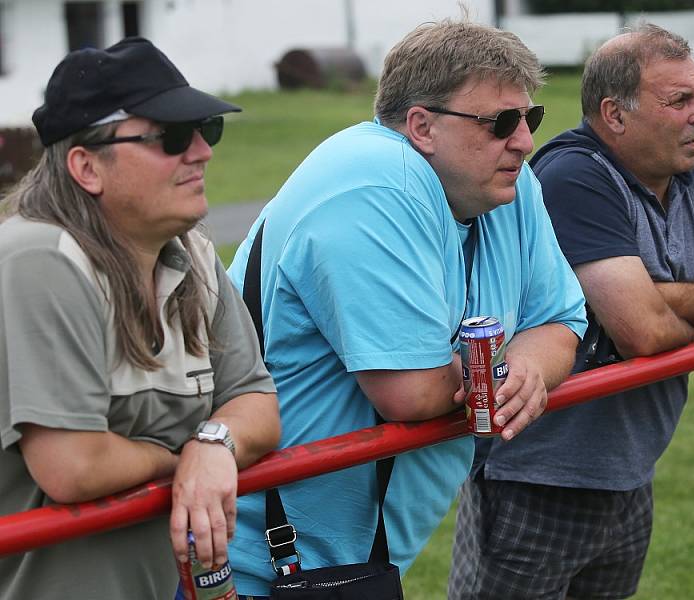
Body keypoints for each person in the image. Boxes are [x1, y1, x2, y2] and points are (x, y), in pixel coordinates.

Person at [225, 17, 587, 597]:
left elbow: (562, 319)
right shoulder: (378, 180)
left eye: (530, 119)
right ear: (421, 126)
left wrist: (527, 371)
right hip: (254, 563)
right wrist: (498, 374)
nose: (523, 141)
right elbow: (411, 391)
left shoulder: (504, 184)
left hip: (344, 561)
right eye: (500, 122)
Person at [448, 22, 694, 600]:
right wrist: (683, 311)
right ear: (614, 115)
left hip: (630, 471)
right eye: (680, 101)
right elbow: (643, 333)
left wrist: (653, 294)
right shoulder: (573, 175)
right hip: (537, 478)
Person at [0, 37, 281, 599]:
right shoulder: (37, 259)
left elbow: (258, 403)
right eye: (172, 137)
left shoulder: (192, 252)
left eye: (208, 131)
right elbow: (73, 465)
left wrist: (214, 445)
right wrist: (186, 458)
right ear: (86, 166)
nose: (201, 151)